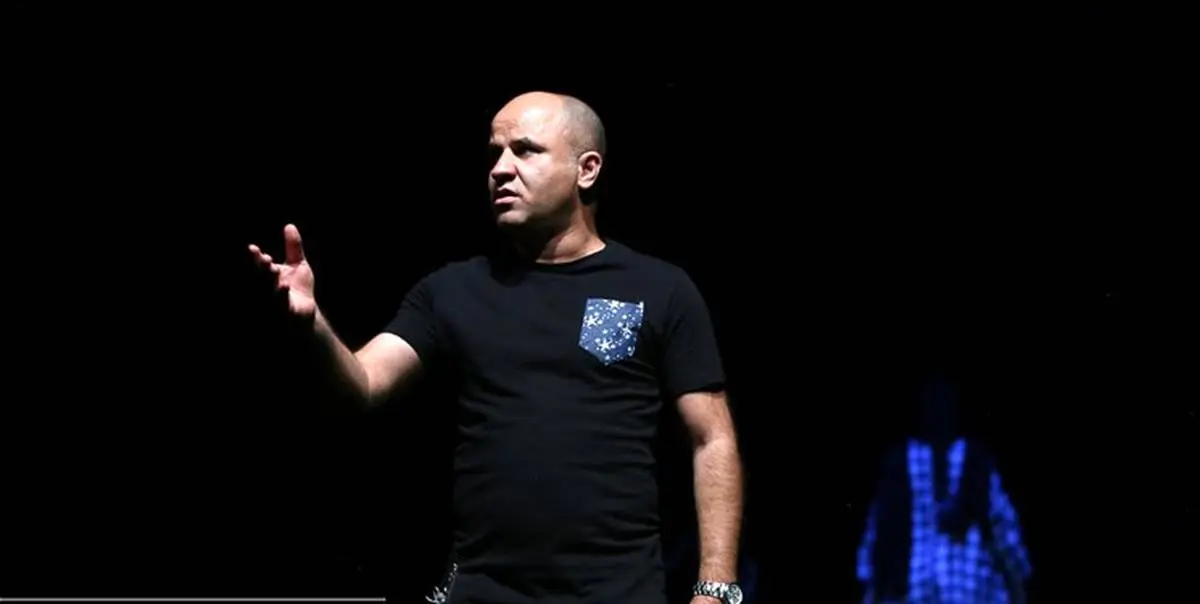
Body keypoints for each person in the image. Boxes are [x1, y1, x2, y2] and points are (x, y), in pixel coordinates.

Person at [247, 91, 745, 604]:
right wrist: (313, 325)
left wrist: (715, 586)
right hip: (481, 590)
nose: (500, 170)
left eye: (525, 150)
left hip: (618, 591)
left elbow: (712, 439)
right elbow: (364, 386)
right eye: (494, 154)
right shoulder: (451, 290)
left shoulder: (659, 289)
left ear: (587, 170)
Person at [855, 371, 1032, 604]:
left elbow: (1005, 535)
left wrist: (1017, 587)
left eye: (944, 402)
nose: (938, 410)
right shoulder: (899, 466)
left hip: (970, 592)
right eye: (931, 401)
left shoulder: (976, 462)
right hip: (911, 594)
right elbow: (876, 540)